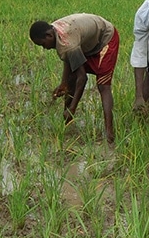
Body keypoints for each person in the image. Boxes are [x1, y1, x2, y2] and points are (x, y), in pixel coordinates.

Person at [30, 13, 119, 144]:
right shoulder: (56, 31)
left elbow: (82, 78)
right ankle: (67, 123)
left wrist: (73, 108)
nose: (45, 48)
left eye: (43, 44)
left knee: (103, 85)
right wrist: (64, 83)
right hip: (86, 42)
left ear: (49, 35)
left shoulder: (67, 43)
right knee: (71, 79)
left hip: (105, 38)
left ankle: (109, 133)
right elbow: (69, 60)